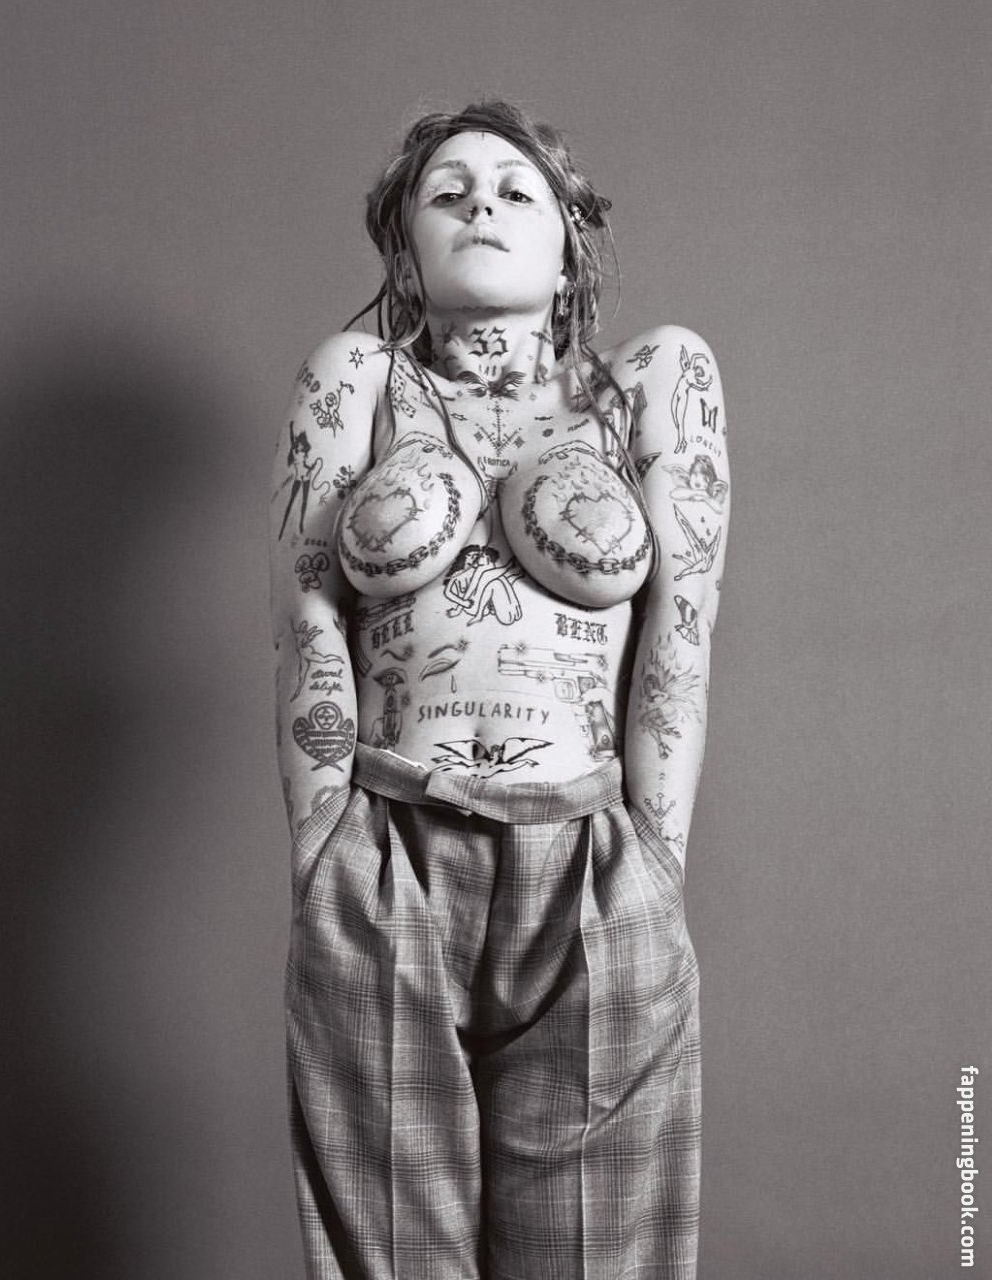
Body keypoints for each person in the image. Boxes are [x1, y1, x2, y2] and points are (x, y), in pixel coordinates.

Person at [269, 100, 729, 1280]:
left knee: (595, 1257)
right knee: (388, 1252)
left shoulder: (649, 382)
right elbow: (307, 610)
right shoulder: (359, 378)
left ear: (570, 247)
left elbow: (682, 625)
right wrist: (322, 843)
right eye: (449, 191)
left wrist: (655, 863)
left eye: (517, 190)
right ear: (404, 253)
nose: (482, 204)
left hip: (590, 854)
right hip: (388, 842)